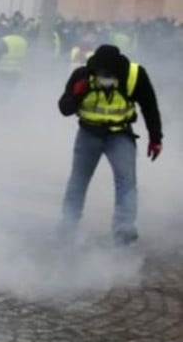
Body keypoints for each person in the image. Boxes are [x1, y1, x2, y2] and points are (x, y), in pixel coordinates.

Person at [58, 44, 163, 245]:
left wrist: (156, 138)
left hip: (120, 135)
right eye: (101, 74)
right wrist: (77, 94)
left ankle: (124, 230)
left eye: (109, 75)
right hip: (89, 134)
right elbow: (64, 109)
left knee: (126, 182)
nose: (105, 78)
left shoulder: (134, 75)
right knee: (78, 180)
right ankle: (68, 224)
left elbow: (150, 107)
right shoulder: (83, 75)